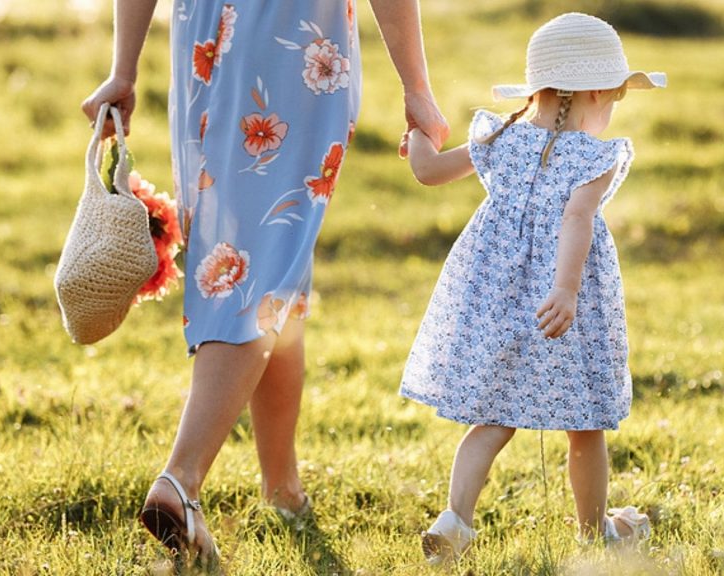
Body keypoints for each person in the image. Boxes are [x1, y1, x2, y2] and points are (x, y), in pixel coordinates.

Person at [81, 0, 449, 568]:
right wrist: (417, 85)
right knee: (254, 268)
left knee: (269, 262)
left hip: (203, 35)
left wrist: (124, 70)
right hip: (293, 42)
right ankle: (180, 479)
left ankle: (283, 489)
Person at [398, 12, 667, 564]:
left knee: (493, 416)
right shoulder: (595, 156)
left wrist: (418, 133)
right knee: (584, 422)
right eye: (615, 97)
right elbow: (577, 220)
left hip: (497, 299)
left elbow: (427, 172)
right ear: (596, 91)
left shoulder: (500, 136)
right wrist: (566, 290)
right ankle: (597, 535)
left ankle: (455, 521)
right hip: (561, 306)